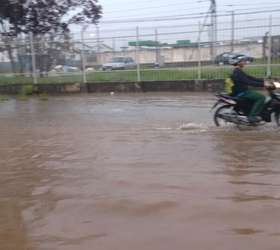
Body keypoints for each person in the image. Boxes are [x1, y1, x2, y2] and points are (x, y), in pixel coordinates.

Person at [230, 56, 269, 123]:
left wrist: (263, 81)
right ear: (238, 62)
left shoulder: (238, 71)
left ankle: (253, 112)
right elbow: (248, 82)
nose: (245, 62)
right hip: (242, 92)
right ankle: (252, 116)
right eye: (243, 61)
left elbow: (250, 78)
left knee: (256, 96)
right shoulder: (237, 72)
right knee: (261, 97)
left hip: (243, 91)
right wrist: (262, 85)